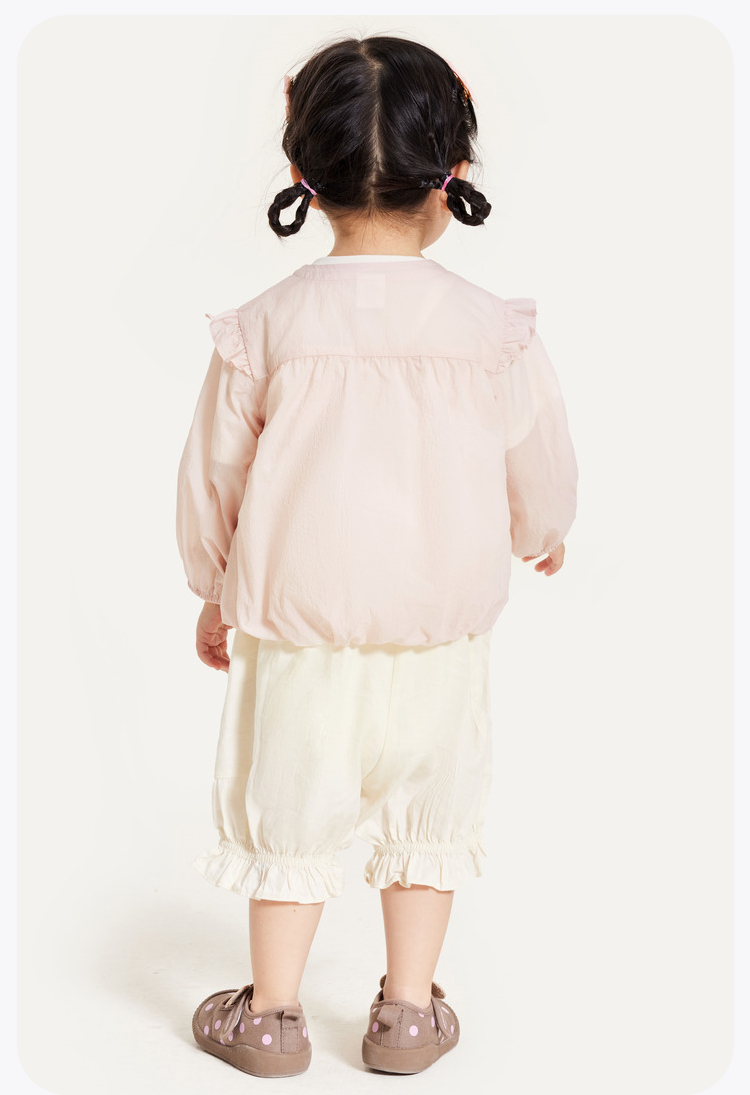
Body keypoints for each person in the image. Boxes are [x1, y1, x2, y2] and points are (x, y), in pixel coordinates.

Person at [175, 33, 578, 1080]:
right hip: (439, 635)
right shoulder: (489, 330)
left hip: (298, 634)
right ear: (453, 172)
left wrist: (215, 587)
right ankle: (406, 1012)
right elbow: (537, 451)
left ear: (302, 173)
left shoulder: (267, 327)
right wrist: (542, 530)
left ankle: (271, 1016)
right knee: (428, 816)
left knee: (290, 818)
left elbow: (215, 474)